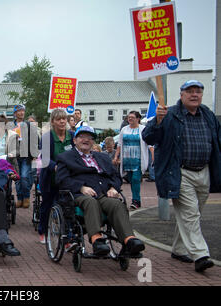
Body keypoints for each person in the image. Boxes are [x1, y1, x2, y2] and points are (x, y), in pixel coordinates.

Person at [142, 80, 220, 273]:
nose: (195, 95)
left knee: (192, 214)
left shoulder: (208, 115)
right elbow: (148, 136)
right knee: (191, 213)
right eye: (190, 91)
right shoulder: (168, 115)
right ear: (181, 94)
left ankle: (179, 248)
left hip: (204, 171)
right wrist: (158, 122)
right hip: (179, 172)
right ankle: (200, 254)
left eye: (198, 92)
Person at [56, 126, 145, 256]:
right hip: (79, 194)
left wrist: (114, 188)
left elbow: (115, 176)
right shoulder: (65, 157)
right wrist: (81, 187)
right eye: (82, 137)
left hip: (103, 192)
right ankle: (96, 239)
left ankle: (129, 240)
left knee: (117, 204)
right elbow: (61, 179)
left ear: (93, 142)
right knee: (91, 202)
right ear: (75, 140)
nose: (86, 140)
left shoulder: (102, 157)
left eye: (89, 137)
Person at [38, 108, 74, 244]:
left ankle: (68, 235)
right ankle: (42, 231)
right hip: (50, 178)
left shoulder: (72, 135)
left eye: (64, 118)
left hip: (66, 179)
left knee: (68, 206)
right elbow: (45, 158)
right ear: (53, 122)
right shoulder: (47, 137)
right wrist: (56, 167)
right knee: (46, 205)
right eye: (59, 119)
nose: (62, 121)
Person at [114, 111, 149, 210]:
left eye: (132, 117)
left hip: (138, 159)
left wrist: (153, 157)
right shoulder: (124, 129)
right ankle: (136, 199)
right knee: (131, 180)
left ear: (138, 119)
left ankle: (136, 201)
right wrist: (116, 156)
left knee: (135, 179)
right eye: (129, 117)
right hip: (127, 159)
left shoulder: (143, 129)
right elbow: (119, 144)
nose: (130, 119)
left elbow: (150, 144)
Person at [8, 104, 39, 209]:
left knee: (25, 177)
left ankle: (26, 197)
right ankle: (20, 198)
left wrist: (34, 154)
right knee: (17, 178)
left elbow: (35, 139)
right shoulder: (10, 125)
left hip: (26, 156)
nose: (21, 113)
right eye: (19, 111)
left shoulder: (29, 125)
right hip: (14, 156)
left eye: (23, 111)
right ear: (15, 113)